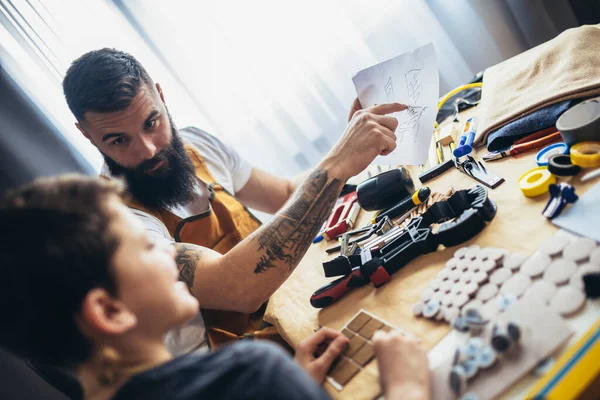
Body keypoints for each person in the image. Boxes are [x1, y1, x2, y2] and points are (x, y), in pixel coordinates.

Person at [62, 48, 407, 353]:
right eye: (119, 141)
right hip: (235, 373)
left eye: (152, 122)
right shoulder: (114, 227)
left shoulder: (196, 144)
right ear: (86, 134)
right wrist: (336, 165)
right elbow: (238, 289)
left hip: (293, 316)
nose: (148, 150)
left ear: (161, 96)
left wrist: (347, 149)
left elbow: (286, 194)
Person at [0, 175, 430, 400]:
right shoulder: (251, 373)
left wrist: (291, 386)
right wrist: (407, 388)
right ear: (110, 312)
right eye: (148, 249)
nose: (174, 252)